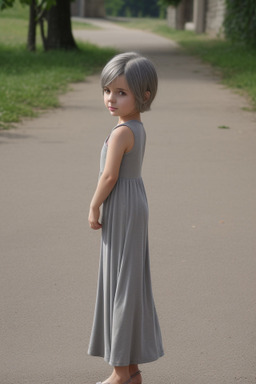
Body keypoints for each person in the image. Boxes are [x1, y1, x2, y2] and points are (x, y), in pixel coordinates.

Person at [88, 52, 164, 384]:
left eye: (122, 92)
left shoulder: (121, 133)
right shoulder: (135, 127)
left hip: (122, 206)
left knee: (120, 284)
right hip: (133, 202)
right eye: (108, 90)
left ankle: (120, 372)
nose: (111, 98)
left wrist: (93, 206)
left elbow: (109, 177)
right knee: (127, 281)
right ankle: (130, 371)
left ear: (144, 95)